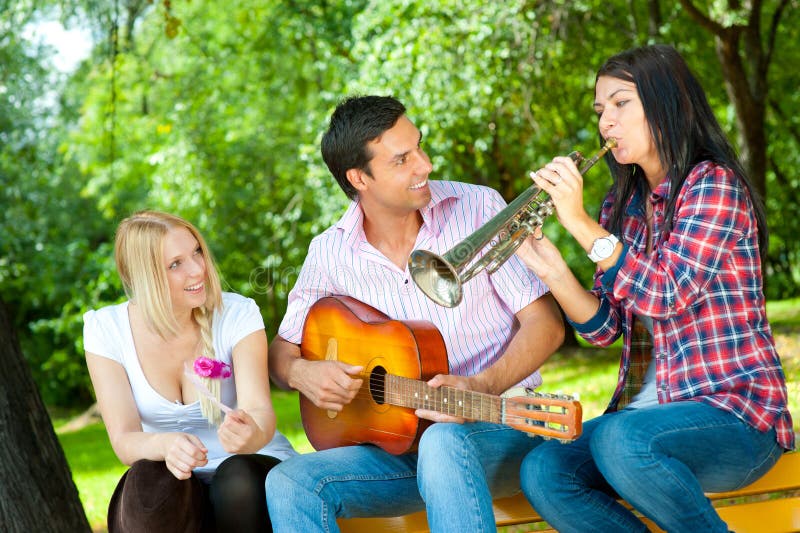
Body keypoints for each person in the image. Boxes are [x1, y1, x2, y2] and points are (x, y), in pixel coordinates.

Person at [515, 44, 795, 532]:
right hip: (643, 418)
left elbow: (667, 294)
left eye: (622, 104)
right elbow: (606, 328)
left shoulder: (714, 185)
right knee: (545, 471)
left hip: (735, 414)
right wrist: (553, 270)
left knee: (621, 440)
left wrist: (580, 226)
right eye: (601, 110)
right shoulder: (619, 208)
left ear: (668, 103)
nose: (606, 123)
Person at [264, 95, 565, 532]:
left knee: (443, 440)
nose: (424, 165)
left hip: (501, 428)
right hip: (399, 450)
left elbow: (547, 325)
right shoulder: (328, 252)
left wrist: (481, 386)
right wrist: (299, 374)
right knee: (291, 482)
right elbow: (281, 351)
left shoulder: (478, 207)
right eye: (402, 159)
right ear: (358, 177)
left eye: (419, 147)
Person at [83, 210, 296, 532]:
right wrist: (165, 445)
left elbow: (260, 411)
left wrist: (252, 432)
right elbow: (125, 439)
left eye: (197, 252)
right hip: (178, 478)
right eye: (176, 264)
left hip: (250, 472)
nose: (198, 269)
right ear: (145, 277)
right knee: (149, 477)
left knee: (236, 478)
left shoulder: (238, 314)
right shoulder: (106, 330)